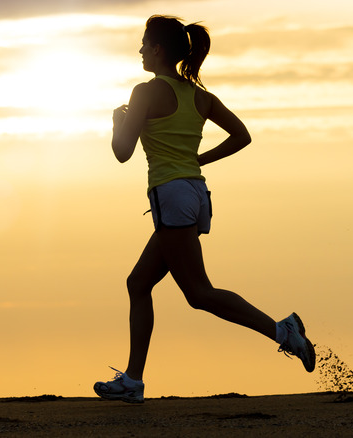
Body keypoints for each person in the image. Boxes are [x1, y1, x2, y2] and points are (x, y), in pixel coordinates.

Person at [93, 15, 316, 404]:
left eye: (145, 43)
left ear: (159, 49)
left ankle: (284, 332)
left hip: (172, 196)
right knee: (138, 283)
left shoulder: (144, 92)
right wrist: (198, 161)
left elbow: (122, 153)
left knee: (199, 293)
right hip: (195, 195)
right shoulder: (199, 96)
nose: (141, 49)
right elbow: (242, 135)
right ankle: (132, 380)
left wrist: (118, 122)